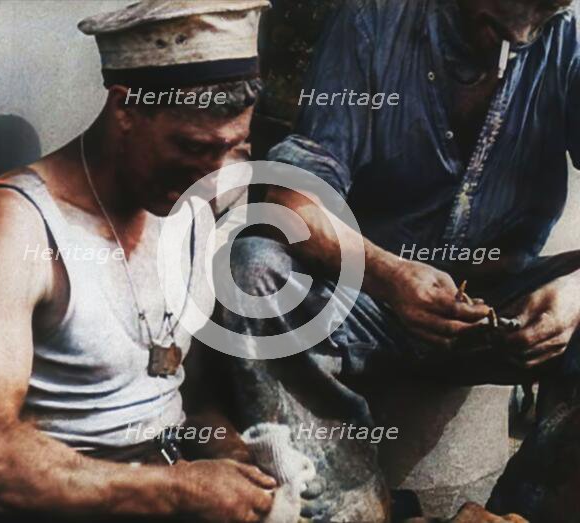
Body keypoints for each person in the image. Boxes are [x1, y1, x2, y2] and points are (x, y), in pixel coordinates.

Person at [222, 0, 580, 520]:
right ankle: (352, 506)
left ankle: (521, 513)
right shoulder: (371, 20)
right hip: (369, 298)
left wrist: (576, 292)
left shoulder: (567, 40)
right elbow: (287, 198)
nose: (521, 36)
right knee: (254, 268)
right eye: (504, 13)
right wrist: (389, 276)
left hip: (502, 310)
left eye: (543, 15)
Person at [0, 1, 279, 521]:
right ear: (125, 108)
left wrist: (232, 458)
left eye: (231, 148)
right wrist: (177, 490)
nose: (212, 175)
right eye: (191, 146)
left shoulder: (189, 207)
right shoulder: (17, 225)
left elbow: (178, 389)